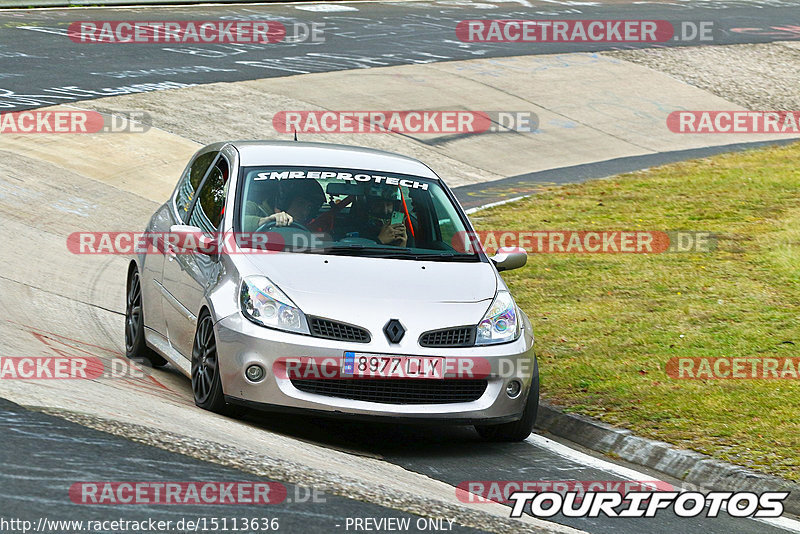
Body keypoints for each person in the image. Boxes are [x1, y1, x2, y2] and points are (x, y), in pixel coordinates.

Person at [244, 178, 326, 231]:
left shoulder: (304, 225)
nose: (305, 212)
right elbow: (235, 222)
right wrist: (265, 221)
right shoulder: (253, 207)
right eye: (300, 204)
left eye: (309, 207)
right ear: (284, 201)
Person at [341, 186, 408, 247]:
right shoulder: (355, 230)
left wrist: (402, 246)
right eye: (379, 205)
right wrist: (379, 241)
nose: (385, 210)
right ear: (368, 206)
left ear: (395, 207)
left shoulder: (401, 232)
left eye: (388, 204)